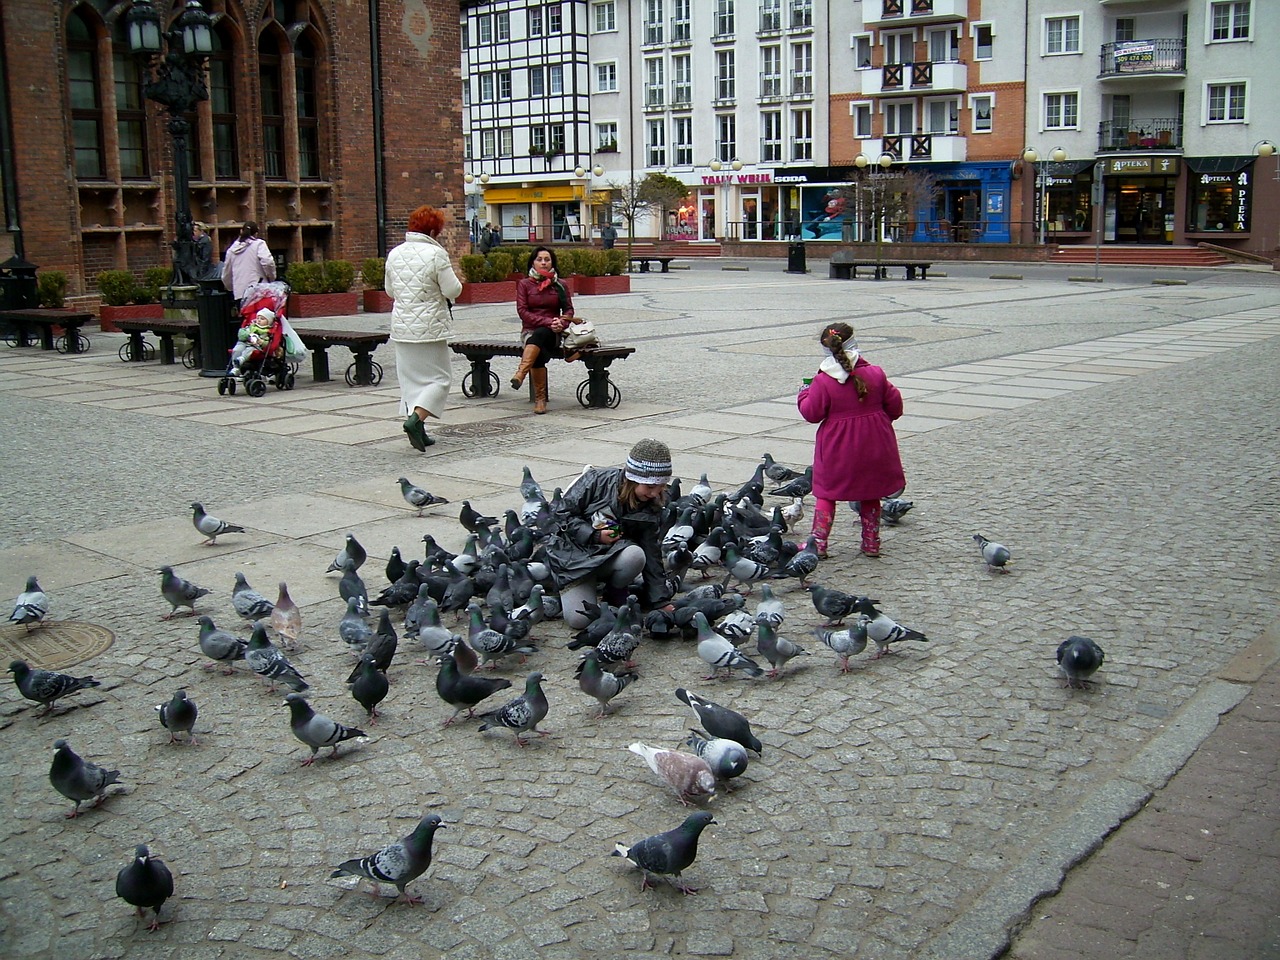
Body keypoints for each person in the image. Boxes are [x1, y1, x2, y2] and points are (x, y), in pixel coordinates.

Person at [797, 322, 905, 558]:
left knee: (826, 493)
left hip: (838, 445)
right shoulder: (875, 373)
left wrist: (804, 393)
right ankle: (871, 543)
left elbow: (811, 413)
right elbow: (895, 406)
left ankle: (819, 545)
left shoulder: (823, 381)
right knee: (870, 492)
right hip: (875, 441)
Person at [548, 438, 677, 630]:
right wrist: (593, 535)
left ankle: (615, 592)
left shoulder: (651, 505)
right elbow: (559, 514)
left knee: (635, 555)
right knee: (580, 620)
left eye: (661, 487)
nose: (655, 493)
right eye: (650, 487)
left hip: (609, 557)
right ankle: (572, 588)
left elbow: (652, 552)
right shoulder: (596, 480)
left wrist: (660, 600)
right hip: (573, 558)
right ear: (633, 480)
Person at [384, 204, 464, 451]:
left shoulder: (395, 253)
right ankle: (416, 420)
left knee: (411, 381)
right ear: (433, 230)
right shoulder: (435, 254)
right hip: (429, 327)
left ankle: (419, 427)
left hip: (402, 327)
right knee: (439, 379)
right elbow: (453, 290)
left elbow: (389, 290)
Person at [511, 245, 574, 415]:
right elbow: (523, 312)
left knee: (542, 334)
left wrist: (562, 323)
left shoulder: (560, 285)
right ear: (533, 262)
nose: (544, 263)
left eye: (547, 259)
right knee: (538, 340)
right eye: (540, 259)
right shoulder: (524, 284)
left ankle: (521, 374)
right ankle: (539, 398)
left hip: (553, 333)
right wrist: (548, 321)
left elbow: (568, 310)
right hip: (530, 332)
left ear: (552, 262)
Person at [221, 221, 276, 305]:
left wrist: (232, 287)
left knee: (245, 317)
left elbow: (226, 273)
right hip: (259, 289)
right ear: (256, 234)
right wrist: (271, 278)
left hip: (240, 292)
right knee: (260, 317)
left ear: (241, 231)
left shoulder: (231, 250)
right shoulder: (259, 244)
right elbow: (268, 262)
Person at [227, 307, 279, 374]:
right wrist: (248, 336)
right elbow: (241, 333)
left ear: (269, 322)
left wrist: (261, 342)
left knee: (250, 350)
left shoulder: (267, 331)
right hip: (244, 342)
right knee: (237, 350)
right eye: (257, 318)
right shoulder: (251, 326)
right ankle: (236, 367)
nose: (259, 320)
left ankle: (241, 359)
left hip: (255, 346)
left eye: (262, 319)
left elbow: (268, 343)